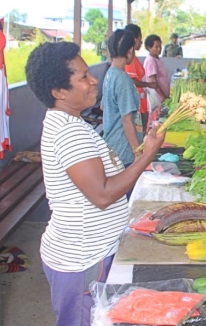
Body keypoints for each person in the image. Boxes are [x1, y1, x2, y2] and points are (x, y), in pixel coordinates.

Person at [25, 41, 166, 326]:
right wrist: (148, 154)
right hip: (83, 258)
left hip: (88, 251)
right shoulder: (69, 133)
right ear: (59, 92)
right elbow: (102, 195)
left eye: (90, 73)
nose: (92, 81)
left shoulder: (71, 122)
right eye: (82, 77)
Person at [102, 29, 142, 174]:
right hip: (124, 148)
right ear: (130, 50)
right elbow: (126, 120)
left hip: (112, 143)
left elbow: (103, 106)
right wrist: (137, 152)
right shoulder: (123, 79)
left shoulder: (110, 74)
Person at [123, 24, 150, 132]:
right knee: (140, 134)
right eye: (140, 38)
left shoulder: (133, 58)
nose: (141, 41)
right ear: (134, 39)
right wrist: (149, 85)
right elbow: (132, 81)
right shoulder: (130, 60)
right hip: (137, 105)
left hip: (141, 102)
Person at [143, 34, 170, 128]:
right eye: (156, 47)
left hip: (161, 97)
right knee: (156, 123)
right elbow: (154, 83)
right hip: (158, 98)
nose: (159, 49)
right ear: (148, 48)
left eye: (160, 46)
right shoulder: (151, 61)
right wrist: (164, 96)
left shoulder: (156, 58)